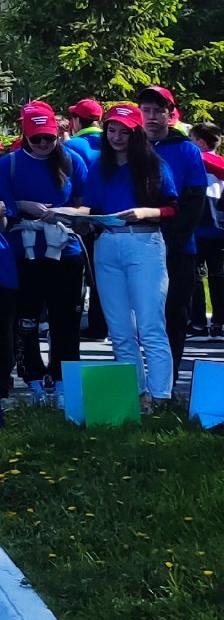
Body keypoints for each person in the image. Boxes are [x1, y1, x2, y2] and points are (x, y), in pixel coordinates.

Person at [66, 103, 179, 411]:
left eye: (124, 132)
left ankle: (161, 396)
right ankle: (136, 395)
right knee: (119, 327)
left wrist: (147, 211)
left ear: (136, 134)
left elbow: (172, 208)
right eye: (112, 130)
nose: (116, 137)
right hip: (107, 243)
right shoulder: (99, 168)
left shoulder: (154, 166)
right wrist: (70, 216)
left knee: (150, 323)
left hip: (144, 242)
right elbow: (89, 210)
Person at [0, 101, 84, 399]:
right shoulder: (10, 164)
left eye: (49, 137)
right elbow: (0, 207)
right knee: (26, 319)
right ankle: (31, 373)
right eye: (37, 138)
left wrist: (65, 212)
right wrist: (23, 206)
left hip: (64, 251)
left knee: (65, 320)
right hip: (25, 254)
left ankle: (62, 377)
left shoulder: (72, 161)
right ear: (25, 136)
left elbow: (87, 204)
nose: (44, 144)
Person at [142, 88, 211, 383]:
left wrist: (174, 240)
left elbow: (195, 199)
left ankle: (166, 381)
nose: (152, 117)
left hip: (178, 245)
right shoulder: (131, 145)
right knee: (141, 316)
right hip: (138, 242)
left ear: (171, 115)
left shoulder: (186, 150)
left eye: (159, 111)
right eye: (146, 110)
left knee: (175, 313)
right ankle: (141, 382)